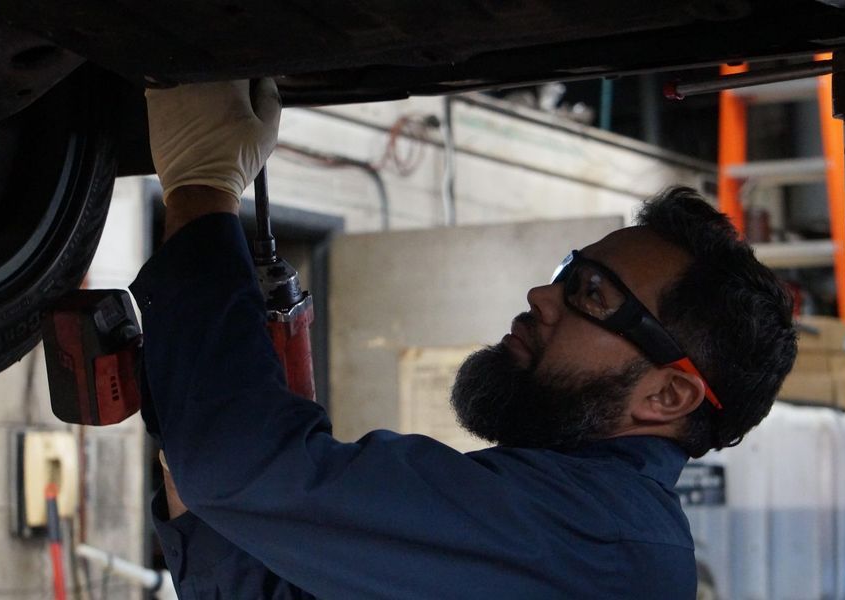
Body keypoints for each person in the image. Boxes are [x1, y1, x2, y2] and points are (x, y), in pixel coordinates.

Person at [132, 79, 797, 599]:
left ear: (669, 392)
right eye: (566, 274)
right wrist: (195, 439)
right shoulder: (586, 529)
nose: (543, 296)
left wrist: (202, 187)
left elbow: (238, 467)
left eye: (592, 295)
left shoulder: (595, 536)